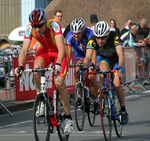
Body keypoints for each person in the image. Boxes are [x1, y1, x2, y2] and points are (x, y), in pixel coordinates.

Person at [15, 8, 73, 135]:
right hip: (45, 51)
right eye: (34, 26)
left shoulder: (53, 25)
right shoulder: (30, 28)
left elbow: (61, 47)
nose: (37, 29)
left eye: (39, 26)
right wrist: (20, 66)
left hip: (58, 52)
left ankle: (68, 117)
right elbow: (24, 50)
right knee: (36, 68)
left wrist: (57, 63)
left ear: (45, 21)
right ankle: (41, 98)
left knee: (59, 83)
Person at [83, 21, 129, 124]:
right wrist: (85, 68)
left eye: (102, 38)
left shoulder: (115, 37)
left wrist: (120, 67)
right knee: (102, 71)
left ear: (107, 35)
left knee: (117, 84)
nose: (99, 41)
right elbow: (87, 57)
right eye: (97, 38)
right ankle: (103, 94)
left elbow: (120, 54)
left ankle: (123, 110)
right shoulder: (92, 40)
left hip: (116, 60)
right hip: (104, 59)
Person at [65, 17, 95, 101]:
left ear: (83, 31)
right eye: (74, 33)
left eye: (78, 33)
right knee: (77, 68)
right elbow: (68, 53)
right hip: (80, 54)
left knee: (91, 76)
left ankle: (96, 96)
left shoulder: (90, 34)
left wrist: (92, 64)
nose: (76, 35)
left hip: (91, 53)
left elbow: (94, 51)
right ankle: (78, 93)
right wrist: (66, 65)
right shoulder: (69, 36)